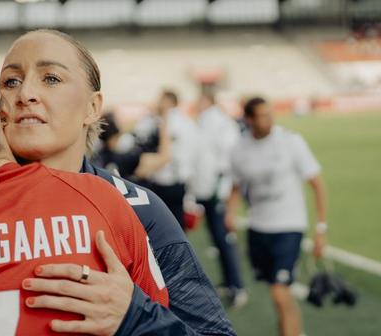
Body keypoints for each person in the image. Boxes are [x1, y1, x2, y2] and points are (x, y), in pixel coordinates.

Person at [0, 30, 235, 336]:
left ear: (92, 107)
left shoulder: (138, 209)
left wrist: (136, 317)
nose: (25, 95)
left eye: (50, 78)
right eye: (10, 81)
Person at [225, 97, 328, 336]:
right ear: (248, 119)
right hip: (258, 228)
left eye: (269, 113)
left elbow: (317, 184)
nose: (268, 119)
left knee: (279, 293)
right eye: (261, 115)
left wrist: (321, 228)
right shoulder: (239, 148)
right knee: (278, 293)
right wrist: (230, 213)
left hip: (289, 226)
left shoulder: (290, 141)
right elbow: (236, 186)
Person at [191, 92, 246, 308]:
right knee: (217, 237)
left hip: (216, 189)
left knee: (224, 238)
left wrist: (219, 184)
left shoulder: (219, 122)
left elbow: (228, 156)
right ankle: (229, 282)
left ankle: (237, 285)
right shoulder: (208, 121)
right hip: (208, 187)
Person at [134, 90, 200, 229]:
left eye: (161, 100)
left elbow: (164, 155)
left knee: (164, 224)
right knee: (176, 223)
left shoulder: (169, 120)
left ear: (169, 102)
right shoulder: (186, 120)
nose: (158, 103)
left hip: (167, 179)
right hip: (180, 178)